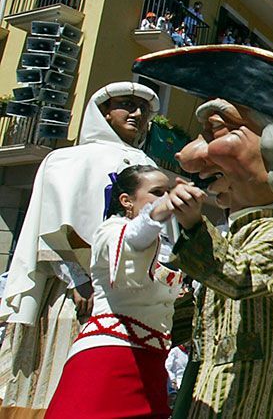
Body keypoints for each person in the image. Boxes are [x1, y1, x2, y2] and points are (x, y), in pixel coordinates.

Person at [131, 45, 273, 417]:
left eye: (216, 130)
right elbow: (207, 302)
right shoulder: (240, 231)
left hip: (248, 386)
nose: (188, 155)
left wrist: (192, 225)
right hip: (211, 376)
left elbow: (242, 276)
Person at [0, 82, 160, 417]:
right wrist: (78, 278)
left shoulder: (147, 166)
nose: (137, 113)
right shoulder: (65, 159)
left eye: (143, 108)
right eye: (126, 104)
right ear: (104, 111)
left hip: (131, 299)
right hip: (73, 293)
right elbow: (49, 225)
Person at [44, 165, 193, 418]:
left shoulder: (164, 245)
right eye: (157, 192)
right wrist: (160, 211)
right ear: (126, 200)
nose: (166, 198)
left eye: (168, 192)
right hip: (110, 359)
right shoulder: (112, 231)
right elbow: (134, 238)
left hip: (152, 364)